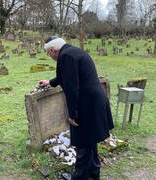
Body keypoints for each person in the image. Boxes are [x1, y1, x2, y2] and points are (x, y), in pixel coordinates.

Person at [39, 36, 114, 180]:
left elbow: (72, 87)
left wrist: (73, 113)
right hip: (95, 100)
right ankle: (93, 174)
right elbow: (65, 77)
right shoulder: (74, 51)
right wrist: (50, 82)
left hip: (87, 104)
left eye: (49, 54)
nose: (50, 57)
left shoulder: (66, 57)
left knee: (83, 144)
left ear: (53, 50)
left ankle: (79, 177)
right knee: (90, 142)